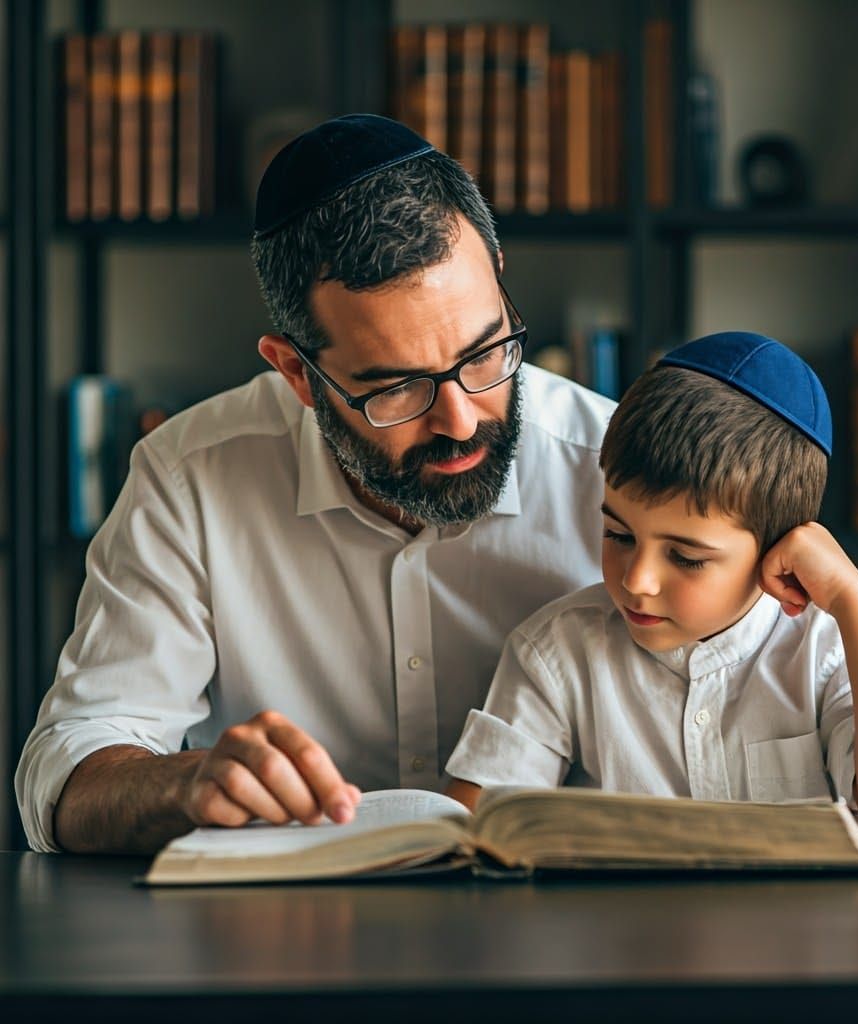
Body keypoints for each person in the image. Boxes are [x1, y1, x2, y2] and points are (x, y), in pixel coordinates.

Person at [15, 114, 615, 853]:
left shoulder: (614, 464)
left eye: (487, 351)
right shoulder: (189, 475)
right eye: (396, 388)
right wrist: (183, 785)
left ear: (496, 269)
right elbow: (66, 770)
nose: (461, 420)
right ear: (297, 372)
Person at [446, 331, 858, 850]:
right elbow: (476, 833)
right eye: (619, 535)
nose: (635, 581)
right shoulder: (557, 653)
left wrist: (854, 599)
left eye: (686, 557)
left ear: (777, 551)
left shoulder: (825, 650)